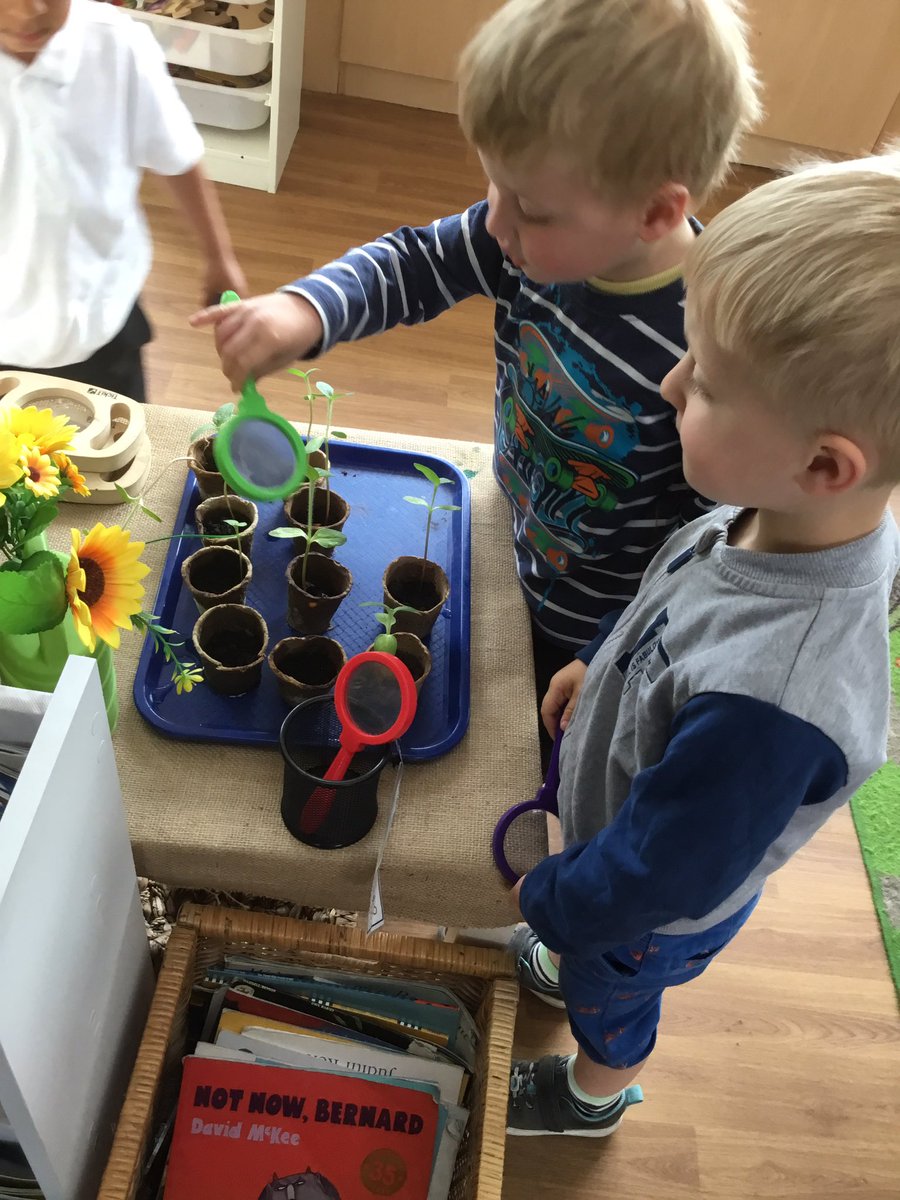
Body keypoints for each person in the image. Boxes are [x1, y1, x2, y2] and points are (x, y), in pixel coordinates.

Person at [190, 0, 760, 765]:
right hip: (502, 527)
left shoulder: (711, 350)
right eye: (493, 185)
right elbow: (416, 260)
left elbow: (711, 544)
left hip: (594, 616)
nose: (494, 224)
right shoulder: (529, 241)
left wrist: (609, 649)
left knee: (544, 751)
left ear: (656, 211)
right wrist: (305, 312)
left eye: (527, 207)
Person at [504, 151, 900, 1137]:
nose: (672, 383)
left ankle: (592, 1096)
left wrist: (558, 899)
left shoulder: (776, 703)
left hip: (643, 918)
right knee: (591, 930)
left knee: (611, 1000)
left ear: (824, 462)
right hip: (632, 834)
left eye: (709, 382)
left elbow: (659, 875)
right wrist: (603, 662)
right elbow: (680, 591)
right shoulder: (780, 513)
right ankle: (574, 952)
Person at [0, 0, 245, 402]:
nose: (31, 10)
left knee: (123, 454)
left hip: (102, 321)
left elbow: (176, 156)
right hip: (5, 338)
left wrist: (219, 258)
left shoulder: (116, 45)